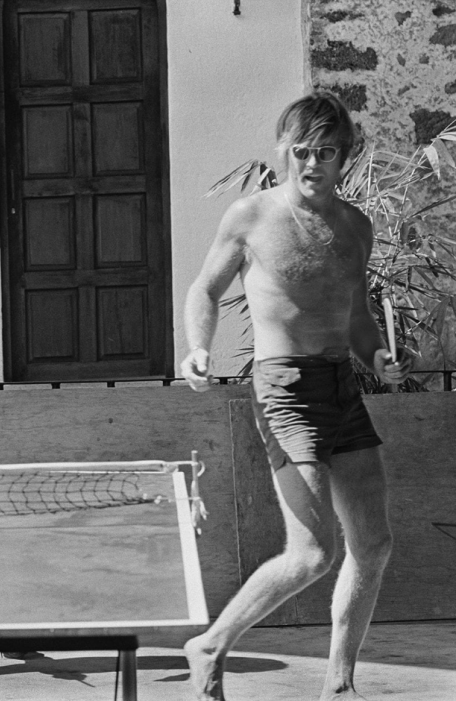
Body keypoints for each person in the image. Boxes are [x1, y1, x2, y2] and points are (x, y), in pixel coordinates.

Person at [180, 93, 411, 701]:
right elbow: (204, 290)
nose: (312, 164)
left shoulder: (355, 227)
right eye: (302, 151)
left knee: (373, 544)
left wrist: (378, 357)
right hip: (283, 389)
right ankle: (210, 644)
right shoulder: (251, 216)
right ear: (284, 151)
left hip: (342, 386)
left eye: (326, 152)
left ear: (344, 156)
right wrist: (198, 349)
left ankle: (339, 685)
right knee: (311, 554)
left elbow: (357, 318)